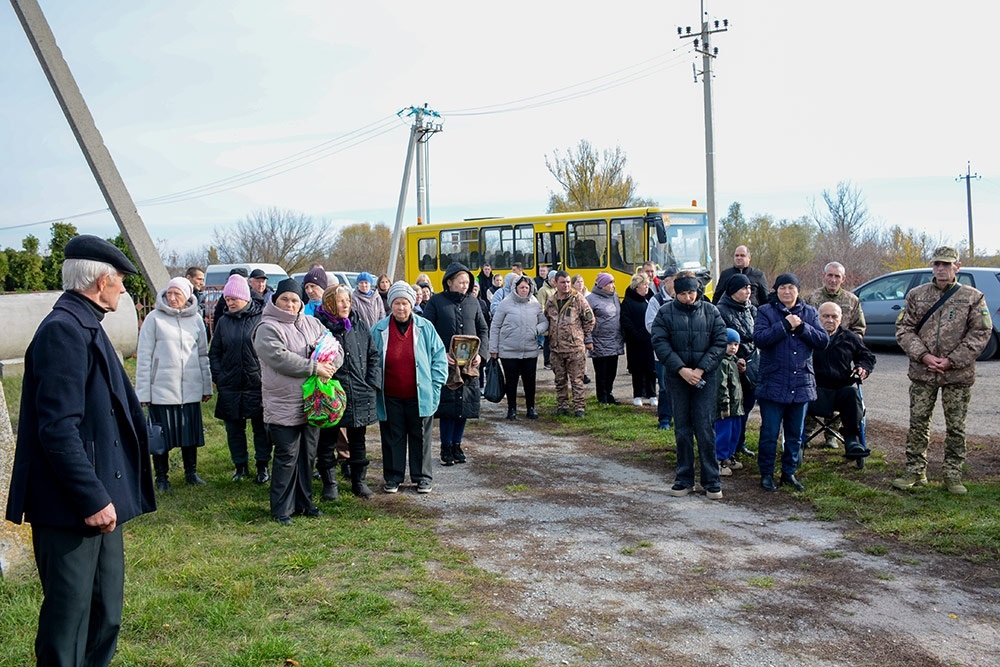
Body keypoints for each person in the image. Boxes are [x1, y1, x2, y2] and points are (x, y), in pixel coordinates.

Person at [5, 235, 156, 667]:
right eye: (121, 281)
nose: (125, 290)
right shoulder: (62, 332)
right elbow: (57, 430)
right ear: (101, 281)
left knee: (104, 613)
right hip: (70, 507)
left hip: (98, 502)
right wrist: (91, 499)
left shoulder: (85, 323)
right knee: (67, 621)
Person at [892, 246, 993, 494]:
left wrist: (951, 360)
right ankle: (915, 470)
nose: (941, 268)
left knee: (956, 426)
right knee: (918, 422)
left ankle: (952, 474)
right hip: (922, 371)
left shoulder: (973, 297)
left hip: (957, 374)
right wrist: (924, 356)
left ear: (957, 267)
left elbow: (981, 332)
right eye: (937, 264)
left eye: (947, 264)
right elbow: (904, 329)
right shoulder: (917, 295)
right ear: (932, 266)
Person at [253, 278, 332, 525]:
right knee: (287, 455)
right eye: (285, 299)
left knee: (307, 455)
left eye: (295, 300)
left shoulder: (313, 323)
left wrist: (330, 364)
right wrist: (314, 367)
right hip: (283, 403)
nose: (290, 304)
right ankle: (281, 508)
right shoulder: (267, 327)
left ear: (301, 303)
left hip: (311, 402)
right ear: (276, 300)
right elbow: (279, 358)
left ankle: (305, 502)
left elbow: (333, 346)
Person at [651, 274, 728, 499]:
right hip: (677, 377)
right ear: (676, 293)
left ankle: (712, 480)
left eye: (691, 293)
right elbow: (660, 342)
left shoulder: (712, 311)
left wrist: (700, 370)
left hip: (705, 377)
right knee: (682, 429)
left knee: (705, 428)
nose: (687, 297)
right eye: (683, 293)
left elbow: (720, 342)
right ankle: (684, 479)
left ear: (698, 292)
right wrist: (682, 370)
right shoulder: (665, 313)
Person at [753, 273, 829, 492]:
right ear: (776, 291)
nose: (786, 292)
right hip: (773, 381)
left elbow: (823, 340)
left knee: (796, 434)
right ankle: (766, 473)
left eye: (791, 287)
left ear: (798, 290)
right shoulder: (765, 311)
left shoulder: (810, 313)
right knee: (769, 433)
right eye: (782, 288)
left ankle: (789, 472)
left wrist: (802, 327)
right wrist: (785, 325)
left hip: (801, 382)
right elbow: (760, 338)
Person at [136, 276, 213, 490]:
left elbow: (202, 356)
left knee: (189, 434)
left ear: (187, 296)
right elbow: (144, 357)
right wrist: (143, 393)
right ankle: (162, 478)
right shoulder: (154, 319)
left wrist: (206, 387)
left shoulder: (196, 319)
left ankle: (191, 472)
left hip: (189, 390)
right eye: (169, 293)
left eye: (177, 294)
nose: (171, 298)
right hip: (162, 389)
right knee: (161, 438)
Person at [371, 282, 448, 493]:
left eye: (405, 303)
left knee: (420, 436)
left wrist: (436, 385)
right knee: (392, 437)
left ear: (412, 304)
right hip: (390, 395)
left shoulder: (425, 327)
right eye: (397, 303)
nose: (401, 308)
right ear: (391, 305)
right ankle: (393, 477)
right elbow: (370, 359)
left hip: (420, 394)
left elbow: (439, 358)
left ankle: (422, 477)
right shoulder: (378, 329)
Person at [314, 285, 382, 498]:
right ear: (330, 303)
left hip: (359, 391)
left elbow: (373, 355)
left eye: (348, 301)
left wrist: (372, 383)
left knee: (358, 440)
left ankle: (359, 482)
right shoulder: (319, 327)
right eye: (340, 301)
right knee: (327, 441)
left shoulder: (359, 325)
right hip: (332, 392)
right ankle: (330, 484)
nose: (345, 305)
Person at [421, 262, 489, 466]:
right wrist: (441, 354)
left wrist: (481, 355)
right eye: (461, 281)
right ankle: (446, 447)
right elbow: (426, 331)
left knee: (465, 406)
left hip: (469, 365)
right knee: (448, 407)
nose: (464, 285)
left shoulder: (473, 302)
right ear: (449, 282)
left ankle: (457, 444)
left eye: (467, 282)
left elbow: (483, 330)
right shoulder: (436, 302)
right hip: (446, 365)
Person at [209, 274, 270, 484]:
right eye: (227, 299)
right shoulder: (223, 322)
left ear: (245, 297)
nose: (230, 302)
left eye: (234, 298)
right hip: (231, 384)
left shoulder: (261, 318)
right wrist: (219, 376)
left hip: (257, 383)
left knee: (260, 429)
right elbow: (214, 352)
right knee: (234, 430)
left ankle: (262, 466)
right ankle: (240, 466)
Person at [811, 302, 876, 461]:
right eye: (825, 316)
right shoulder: (810, 336)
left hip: (840, 389)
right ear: (818, 318)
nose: (830, 320)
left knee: (852, 393)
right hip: (814, 390)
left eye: (834, 316)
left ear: (841, 319)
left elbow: (867, 357)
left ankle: (852, 440)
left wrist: (862, 368)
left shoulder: (849, 337)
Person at [490, 274, 548, 419]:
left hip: (529, 350)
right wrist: (493, 350)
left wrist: (537, 330)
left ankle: (531, 408)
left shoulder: (534, 303)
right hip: (509, 351)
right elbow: (495, 326)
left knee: (530, 381)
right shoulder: (505, 303)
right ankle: (512, 409)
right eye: (521, 287)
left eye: (527, 287)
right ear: (515, 288)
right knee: (511, 382)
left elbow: (544, 322)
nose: (524, 290)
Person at [715, 273, 759, 458]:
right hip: (729, 365)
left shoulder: (753, 310)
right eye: (743, 288)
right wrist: (734, 359)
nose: (747, 291)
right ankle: (724, 450)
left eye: (749, 288)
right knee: (728, 411)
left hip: (751, 362)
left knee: (745, 406)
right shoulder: (720, 310)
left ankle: (739, 443)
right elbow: (720, 339)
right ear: (733, 290)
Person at [545, 270, 596, 417]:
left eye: (568, 282)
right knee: (560, 380)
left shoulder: (578, 299)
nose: (566, 285)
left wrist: (580, 336)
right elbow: (547, 318)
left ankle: (579, 408)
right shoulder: (551, 301)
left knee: (577, 380)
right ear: (555, 283)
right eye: (563, 282)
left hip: (575, 349)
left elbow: (590, 319)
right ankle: (562, 406)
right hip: (556, 348)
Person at [645, 267, 678, 428]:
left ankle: (680, 418)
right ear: (667, 281)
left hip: (682, 352)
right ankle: (664, 419)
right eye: (675, 280)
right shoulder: (656, 300)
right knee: (665, 387)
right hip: (663, 353)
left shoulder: (683, 298)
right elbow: (650, 325)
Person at [587, 272, 624, 404]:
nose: (613, 285)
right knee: (601, 372)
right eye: (610, 283)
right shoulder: (591, 299)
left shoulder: (614, 296)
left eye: (613, 282)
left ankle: (609, 393)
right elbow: (586, 321)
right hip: (599, 341)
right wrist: (588, 340)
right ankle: (602, 396)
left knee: (612, 371)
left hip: (614, 340)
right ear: (602, 285)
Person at [621, 272, 656, 407]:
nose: (646, 287)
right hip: (635, 341)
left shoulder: (651, 299)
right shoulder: (628, 301)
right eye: (644, 285)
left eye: (647, 285)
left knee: (651, 369)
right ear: (636, 287)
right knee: (637, 369)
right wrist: (635, 333)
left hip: (650, 340)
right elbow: (625, 320)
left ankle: (652, 394)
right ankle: (637, 395)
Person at [804, 261, 866, 336]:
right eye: (830, 275)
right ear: (823, 276)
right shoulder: (810, 298)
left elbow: (859, 328)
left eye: (837, 276)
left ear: (843, 279)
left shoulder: (852, 300)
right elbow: (803, 325)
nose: (833, 280)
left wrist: (849, 343)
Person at [715, 329, 745, 477]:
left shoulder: (733, 361)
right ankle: (719, 460)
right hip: (726, 407)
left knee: (735, 432)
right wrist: (724, 405)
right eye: (729, 344)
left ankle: (729, 456)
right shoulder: (721, 363)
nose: (733, 347)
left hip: (736, 406)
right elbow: (722, 386)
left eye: (736, 344)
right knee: (724, 434)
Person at [536, 271, 558, 369]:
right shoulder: (543, 290)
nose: (555, 281)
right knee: (548, 341)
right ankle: (547, 362)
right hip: (548, 319)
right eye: (554, 278)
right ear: (549, 279)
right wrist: (545, 318)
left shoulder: (557, 289)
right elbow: (541, 305)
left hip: (557, 319)